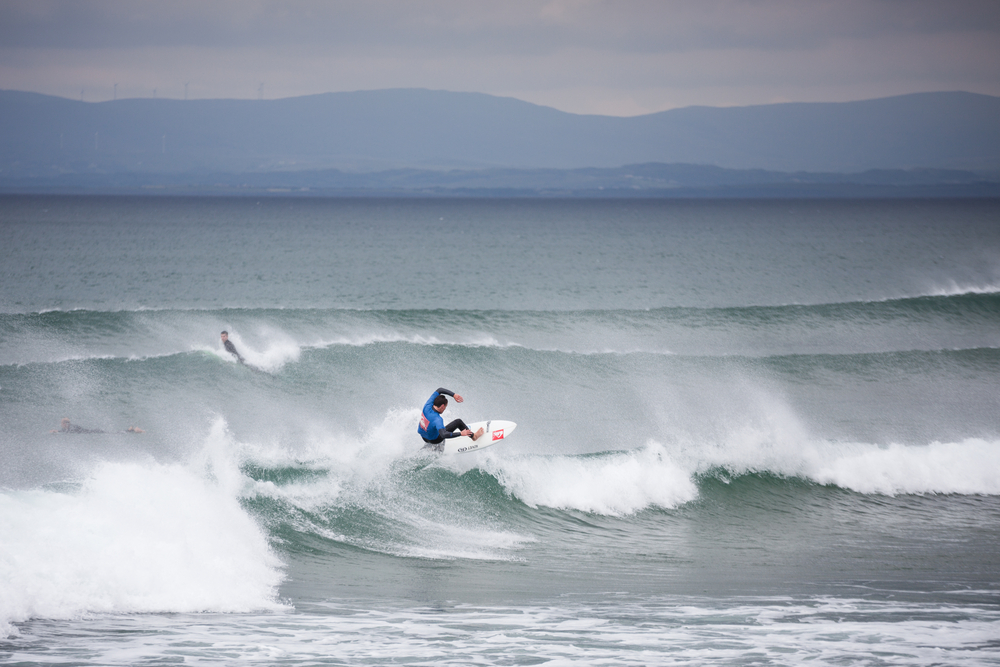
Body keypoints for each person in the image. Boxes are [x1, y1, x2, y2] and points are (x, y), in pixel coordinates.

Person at [417, 387, 483, 447]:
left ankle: (431, 445)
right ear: (442, 406)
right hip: (435, 440)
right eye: (445, 407)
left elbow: (439, 390)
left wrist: (453, 395)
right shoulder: (438, 419)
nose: (444, 409)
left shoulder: (427, 405)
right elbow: (443, 434)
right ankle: (474, 436)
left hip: (423, 437)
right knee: (458, 422)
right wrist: (460, 433)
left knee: (436, 427)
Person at [51, 418, 143, 434]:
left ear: (65, 424)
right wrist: (58, 431)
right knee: (113, 433)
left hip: (95, 432)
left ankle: (131, 430)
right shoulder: (72, 427)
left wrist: (57, 432)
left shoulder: (71, 428)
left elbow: (68, 432)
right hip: (95, 431)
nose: (61, 424)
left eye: (62, 423)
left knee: (114, 434)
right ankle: (130, 430)